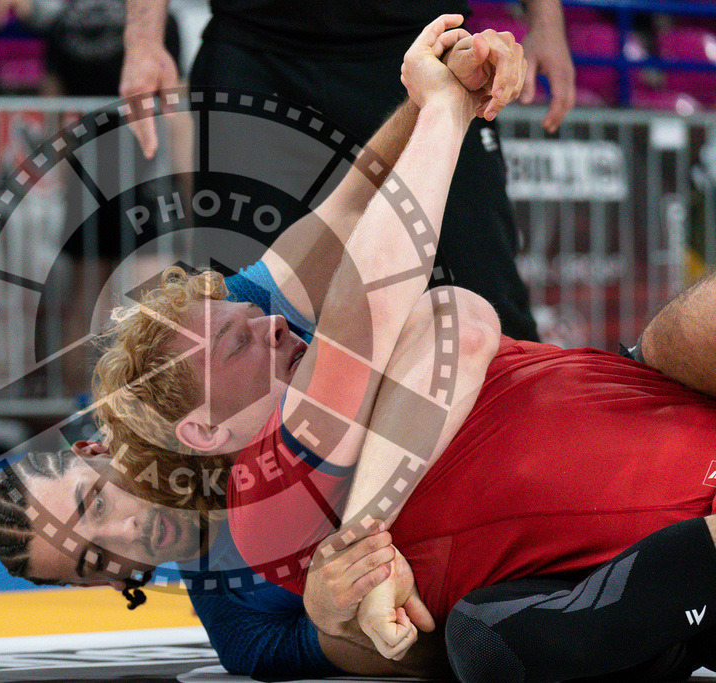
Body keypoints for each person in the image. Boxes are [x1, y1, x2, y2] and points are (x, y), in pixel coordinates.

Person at [92, 14, 716, 680]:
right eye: (235, 342)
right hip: (656, 537)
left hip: (647, 392)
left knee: (682, 330)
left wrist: (445, 98)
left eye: (253, 315)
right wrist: (443, 107)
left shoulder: (346, 386)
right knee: (486, 642)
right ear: (205, 429)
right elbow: (382, 301)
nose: (273, 324)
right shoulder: (264, 500)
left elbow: (449, 314)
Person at [118, 0, 574, 342]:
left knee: (485, 295)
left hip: (420, 39)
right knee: (243, 322)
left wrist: (548, 25)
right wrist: (143, 40)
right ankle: (248, 447)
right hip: (256, 50)